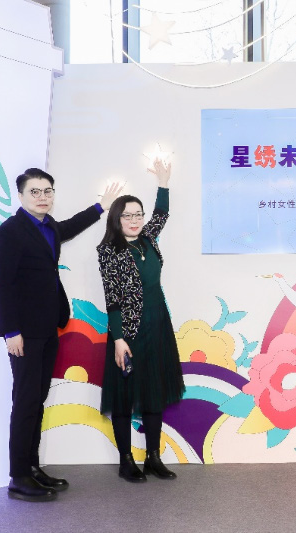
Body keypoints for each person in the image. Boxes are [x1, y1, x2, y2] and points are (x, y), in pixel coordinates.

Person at [0, 168, 122, 502]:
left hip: (49, 327)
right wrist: (10, 330)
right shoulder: (10, 232)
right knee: (25, 403)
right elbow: (1, 285)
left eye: (47, 191)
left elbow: (70, 227)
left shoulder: (48, 226)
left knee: (37, 400)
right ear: (20, 196)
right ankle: (18, 477)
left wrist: (100, 207)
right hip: (24, 333)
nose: (42, 197)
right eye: (34, 192)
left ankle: (32, 467)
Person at [97, 158, 185, 483]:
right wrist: (118, 339)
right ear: (116, 219)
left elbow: (161, 214)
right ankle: (126, 461)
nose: (134, 220)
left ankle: (153, 458)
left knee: (154, 390)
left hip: (157, 321)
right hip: (128, 331)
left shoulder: (148, 239)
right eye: (127, 215)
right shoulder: (109, 251)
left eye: (138, 214)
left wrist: (163, 184)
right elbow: (112, 298)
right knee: (124, 395)